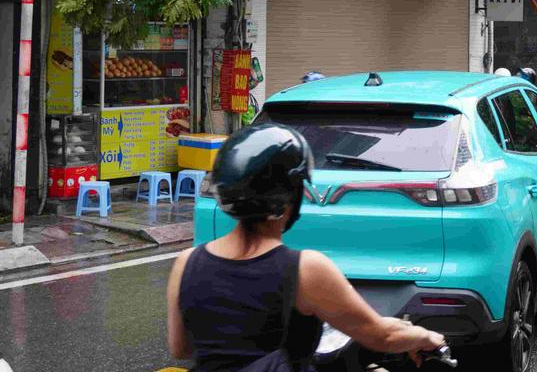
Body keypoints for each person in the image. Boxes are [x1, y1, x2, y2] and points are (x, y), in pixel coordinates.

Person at [166, 124, 444, 371]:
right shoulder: (303, 269)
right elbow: (380, 336)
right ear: (292, 195)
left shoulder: (187, 261)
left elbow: (182, 349)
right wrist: (427, 337)